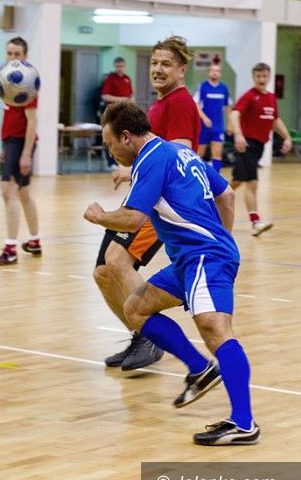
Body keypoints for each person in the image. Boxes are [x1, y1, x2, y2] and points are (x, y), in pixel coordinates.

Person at [85, 101, 258, 446]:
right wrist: (221, 238)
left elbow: (133, 219)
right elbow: (226, 195)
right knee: (136, 309)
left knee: (216, 330)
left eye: (110, 144)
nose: (110, 152)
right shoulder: (180, 153)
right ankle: (199, 368)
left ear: (126, 137)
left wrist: (100, 216)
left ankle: (244, 423)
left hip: (204, 257)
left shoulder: (150, 159)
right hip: (190, 260)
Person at [95, 35, 200, 372]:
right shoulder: (159, 104)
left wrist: (132, 172)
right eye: (154, 62)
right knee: (103, 272)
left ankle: (151, 335)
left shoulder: (179, 103)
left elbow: (180, 153)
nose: (158, 69)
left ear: (181, 70)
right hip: (146, 195)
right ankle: (142, 334)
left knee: (117, 259)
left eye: (166, 64)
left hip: (161, 204)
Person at [0, 37, 41, 266]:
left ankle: (10, 249)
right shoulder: (6, 80)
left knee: (7, 191)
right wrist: (5, 147)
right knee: (23, 193)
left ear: (25, 56)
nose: (12, 58)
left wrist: (26, 154)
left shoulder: (26, 82)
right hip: (11, 142)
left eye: (17, 54)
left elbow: (32, 122)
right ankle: (35, 241)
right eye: (9, 53)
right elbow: (10, 118)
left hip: (21, 143)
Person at [228, 62, 292, 236]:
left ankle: (213, 199)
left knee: (237, 181)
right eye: (258, 76)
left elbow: (275, 120)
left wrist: (287, 137)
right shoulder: (249, 96)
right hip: (246, 145)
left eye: (264, 76)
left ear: (269, 77)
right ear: (254, 77)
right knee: (252, 182)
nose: (261, 79)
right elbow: (234, 114)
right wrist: (238, 135)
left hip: (260, 146)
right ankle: (255, 222)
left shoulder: (271, 97)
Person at [194, 63, 232, 173]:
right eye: (212, 70)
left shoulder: (224, 88)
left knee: (217, 155)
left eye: (217, 71)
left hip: (218, 127)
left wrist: (230, 123)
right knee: (199, 155)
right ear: (208, 72)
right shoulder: (202, 86)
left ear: (220, 73)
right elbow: (195, 105)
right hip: (203, 127)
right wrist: (204, 118)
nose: (215, 73)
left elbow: (227, 107)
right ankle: (197, 176)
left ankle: (216, 178)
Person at [100, 57, 134, 168]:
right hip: (113, 113)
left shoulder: (127, 78)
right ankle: (111, 162)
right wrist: (120, 99)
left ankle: (124, 162)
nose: (120, 68)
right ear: (115, 66)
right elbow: (105, 96)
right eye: (118, 66)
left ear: (124, 66)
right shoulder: (110, 79)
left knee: (124, 137)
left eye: (122, 66)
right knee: (112, 137)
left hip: (125, 112)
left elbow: (130, 95)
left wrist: (131, 103)